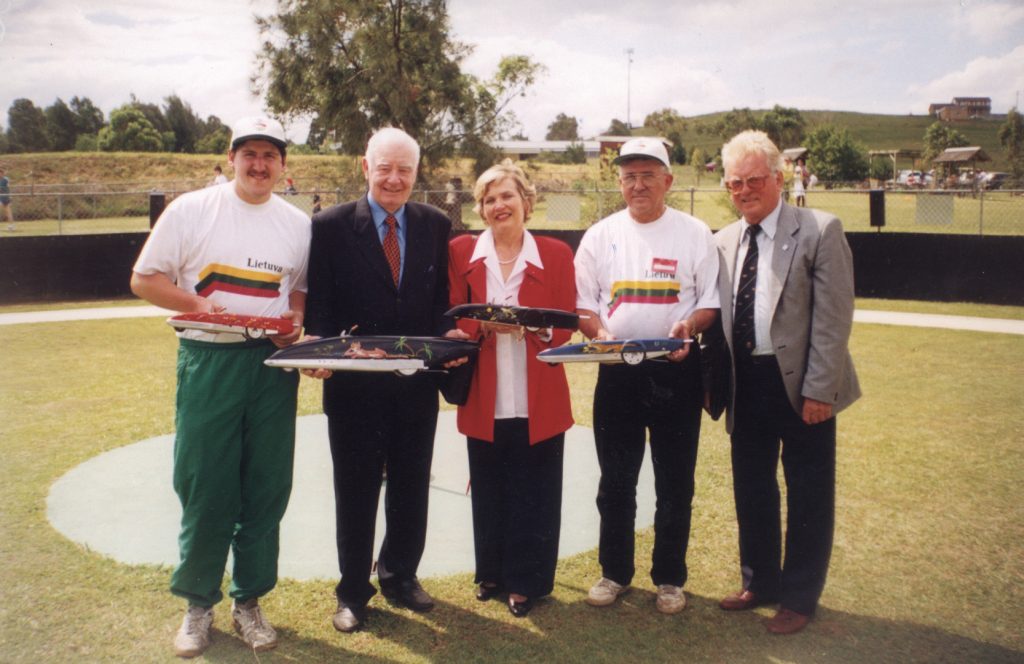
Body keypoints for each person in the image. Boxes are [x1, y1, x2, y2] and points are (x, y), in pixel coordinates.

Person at [130, 116, 310, 657]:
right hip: (208, 359)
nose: (259, 165)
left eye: (270, 155)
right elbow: (145, 278)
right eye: (248, 153)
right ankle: (197, 603)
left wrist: (293, 325)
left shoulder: (297, 223)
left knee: (266, 486)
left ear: (283, 164)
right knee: (206, 484)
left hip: (270, 367)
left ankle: (249, 600)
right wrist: (197, 304)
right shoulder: (190, 209)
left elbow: (296, 290)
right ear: (230, 158)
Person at [304, 127, 455, 633]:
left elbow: (439, 306)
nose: (394, 179)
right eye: (384, 167)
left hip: (415, 385)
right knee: (356, 491)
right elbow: (320, 309)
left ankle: (400, 576)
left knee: (412, 486)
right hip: (352, 390)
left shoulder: (436, 223)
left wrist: (449, 335)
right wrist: (319, 350)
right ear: (365, 168)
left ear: (416, 173)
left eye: (405, 170)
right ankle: (352, 592)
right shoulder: (328, 226)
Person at [715, 130, 860, 635]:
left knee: (808, 491)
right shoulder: (723, 240)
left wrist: (821, 389)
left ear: (779, 178)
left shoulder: (820, 229)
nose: (745, 190)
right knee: (752, 487)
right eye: (735, 183)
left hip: (802, 385)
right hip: (746, 384)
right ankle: (761, 582)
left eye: (754, 180)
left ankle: (799, 596)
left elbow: (833, 320)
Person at [575, 138, 720, 615]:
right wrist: (602, 334)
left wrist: (689, 327)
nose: (638, 185)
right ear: (619, 182)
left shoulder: (696, 232)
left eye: (648, 175)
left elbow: (709, 304)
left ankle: (670, 579)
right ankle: (615, 572)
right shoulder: (599, 235)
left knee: (675, 481)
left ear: (668, 181)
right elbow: (583, 307)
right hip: (618, 373)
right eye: (629, 176)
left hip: (675, 372)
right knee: (616, 480)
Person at [447, 160, 575, 618]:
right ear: (480, 209)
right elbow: (453, 314)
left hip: (539, 393)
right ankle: (492, 573)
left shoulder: (556, 254)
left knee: (535, 489)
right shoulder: (462, 251)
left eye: (507, 196)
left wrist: (535, 329)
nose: (499, 205)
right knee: (488, 485)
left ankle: (528, 581)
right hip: (485, 392)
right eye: (489, 199)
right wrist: (476, 325)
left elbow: (564, 325)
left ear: (526, 200)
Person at [1, 166, 14, 231]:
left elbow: (8, 185)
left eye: (1, 173)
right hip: (1, 197)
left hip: (5, 197)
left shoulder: (5, 179)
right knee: (7, 212)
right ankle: (11, 225)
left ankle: (11, 225)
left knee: (8, 212)